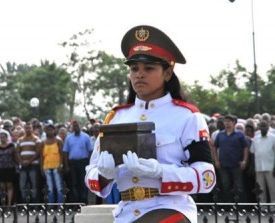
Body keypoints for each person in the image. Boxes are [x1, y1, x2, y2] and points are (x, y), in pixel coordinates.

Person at [85, 25, 216, 223]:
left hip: (171, 209)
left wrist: (161, 172)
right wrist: (105, 175)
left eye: (148, 68)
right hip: (126, 214)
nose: (139, 74)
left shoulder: (187, 116)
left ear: (167, 73)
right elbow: (90, 174)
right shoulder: (116, 117)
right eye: (134, 68)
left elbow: (207, 178)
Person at [213, 114, 249, 203]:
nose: (227, 123)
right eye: (225, 121)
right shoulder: (220, 135)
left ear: (233, 123)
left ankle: (241, 206)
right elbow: (214, 147)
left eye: (229, 121)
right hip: (223, 165)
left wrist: (244, 161)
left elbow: (245, 147)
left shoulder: (239, 134)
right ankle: (228, 206)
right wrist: (216, 161)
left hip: (236, 164)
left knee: (239, 186)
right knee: (226, 186)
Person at [63, 120, 93, 204]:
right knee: (74, 183)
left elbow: (90, 150)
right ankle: (76, 202)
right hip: (73, 163)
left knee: (83, 182)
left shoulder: (86, 137)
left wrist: (90, 163)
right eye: (74, 126)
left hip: (83, 162)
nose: (76, 128)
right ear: (72, 128)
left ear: (80, 126)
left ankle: (84, 201)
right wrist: (66, 165)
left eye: (77, 126)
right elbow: (65, 152)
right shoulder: (69, 138)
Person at [250, 120, 275, 208]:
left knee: (272, 188)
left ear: (268, 127)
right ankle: (262, 207)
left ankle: (273, 207)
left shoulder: (273, 138)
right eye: (262, 126)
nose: (263, 127)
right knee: (260, 188)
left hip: (271, 167)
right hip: (259, 167)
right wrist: (252, 166)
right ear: (259, 127)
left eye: (265, 126)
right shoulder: (255, 139)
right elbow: (252, 152)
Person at [15, 121, 41, 203]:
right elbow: (17, 152)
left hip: (33, 165)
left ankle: (34, 204)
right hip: (23, 165)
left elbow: (37, 153)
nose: (28, 129)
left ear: (32, 129)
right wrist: (21, 161)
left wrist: (29, 161)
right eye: (26, 128)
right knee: (22, 185)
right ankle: (24, 203)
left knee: (34, 185)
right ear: (24, 129)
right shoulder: (20, 140)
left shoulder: (36, 139)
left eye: (29, 128)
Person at [40, 122, 64, 203]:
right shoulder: (43, 142)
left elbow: (62, 154)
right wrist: (41, 168)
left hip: (57, 166)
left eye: (51, 130)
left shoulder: (58, 141)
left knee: (59, 187)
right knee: (50, 188)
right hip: (46, 167)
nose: (50, 131)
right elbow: (41, 156)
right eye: (48, 130)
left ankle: (60, 205)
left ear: (54, 131)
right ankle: (51, 206)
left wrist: (61, 165)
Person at [0, 132, 16, 206]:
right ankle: (3, 203)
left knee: (9, 186)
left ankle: (9, 204)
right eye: (1, 137)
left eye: (4, 137)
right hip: (0, 168)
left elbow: (14, 155)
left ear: (7, 138)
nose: (2, 139)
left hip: (9, 168)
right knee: (2, 187)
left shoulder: (11, 146)